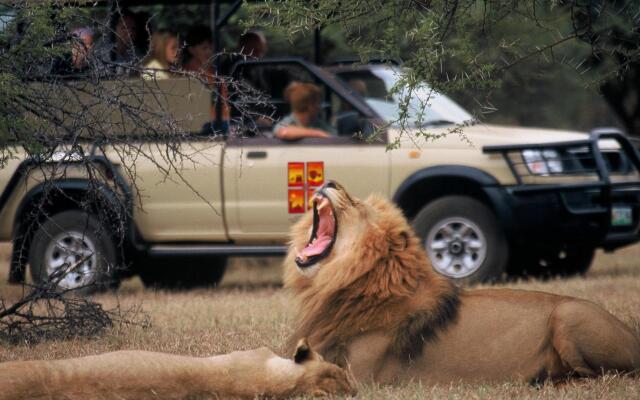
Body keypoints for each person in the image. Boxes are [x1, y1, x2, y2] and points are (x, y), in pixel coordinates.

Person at [183, 26, 230, 132]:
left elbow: (224, 113)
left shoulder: (217, 76)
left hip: (216, 130)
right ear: (191, 50)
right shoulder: (182, 76)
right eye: (204, 48)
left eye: (212, 47)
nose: (210, 52)